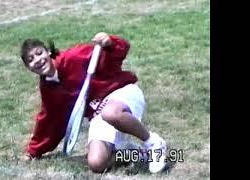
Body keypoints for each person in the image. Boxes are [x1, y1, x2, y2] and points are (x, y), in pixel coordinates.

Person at [20, 32, 167, 173]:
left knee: (110, 113)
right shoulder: (48, 88)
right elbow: (49, 120)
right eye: (31, 59)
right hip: (99, 113)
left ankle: (154, 143)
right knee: (96, 163)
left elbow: (117, 51)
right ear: (28, 68)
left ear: (48, 52)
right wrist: (33, 151)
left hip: (121, 93)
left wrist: (110, 42)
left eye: (39, 53)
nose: (38, 60)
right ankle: (130, 152)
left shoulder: (73, 56)